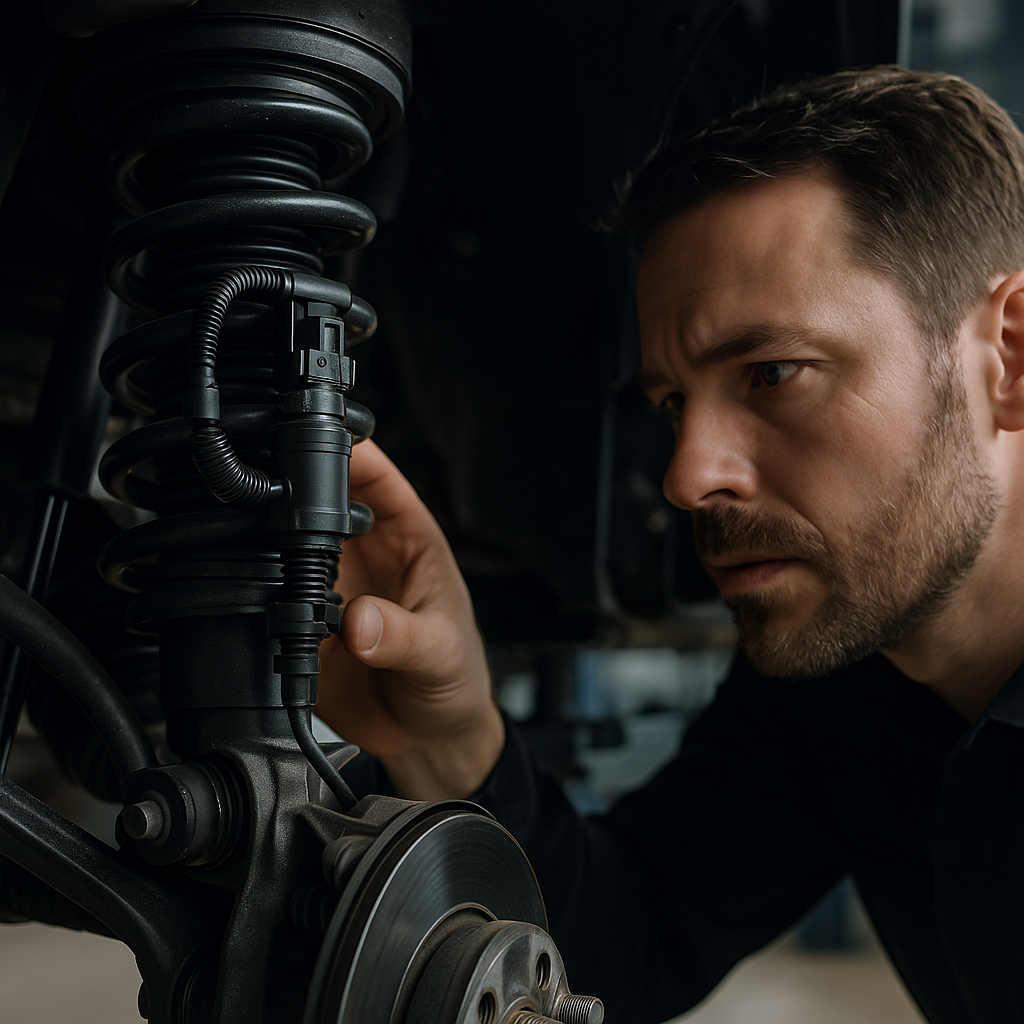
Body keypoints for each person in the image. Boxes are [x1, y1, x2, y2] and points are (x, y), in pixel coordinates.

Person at [315, 66, 1024, 1024]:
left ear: (1009, 356)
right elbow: (628, 942)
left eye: (773, 371)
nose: (687, 477)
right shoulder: (843, 679)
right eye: (672, 403)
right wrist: (450, 734)